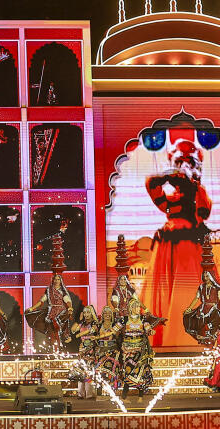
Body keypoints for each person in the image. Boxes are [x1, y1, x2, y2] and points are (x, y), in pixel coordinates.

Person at [142, 139, 212, 345]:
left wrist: (190, 183)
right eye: (179, 161)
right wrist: (170, 175)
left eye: (187, 162)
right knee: (164, 291)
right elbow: (151, 184)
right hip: (167, 247)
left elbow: (203, 212)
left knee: (188, 291)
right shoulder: (170, 199)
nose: (183, 166)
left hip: (188, 247)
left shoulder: (197, 192)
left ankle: (185, 336)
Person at [117, 298, 158, 397]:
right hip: (127, 349)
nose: (138, 308)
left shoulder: (143, 319)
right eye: (136, 306)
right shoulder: (124, 319)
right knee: (128, 370)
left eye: (139, 306)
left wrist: (151, 331)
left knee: (140, 371)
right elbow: (114, 330)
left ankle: (140, 396)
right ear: (131, 308)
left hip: (140, 349)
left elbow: (147, 328)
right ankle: (124, 396)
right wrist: (101, 335)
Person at [25, 273, 75, 351]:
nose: (57, 281)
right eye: (55, 279)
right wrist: (32, 308)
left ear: (61, 281)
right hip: (51, 312)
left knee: (61, 322)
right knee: (52, 329)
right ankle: (54, 347)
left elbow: (67, 300)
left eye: (58, 279)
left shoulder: (62, 291)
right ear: (53, 280)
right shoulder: (49, 290)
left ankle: (66, 336)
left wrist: (70, 308)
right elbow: (42, 301)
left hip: (61, 311)